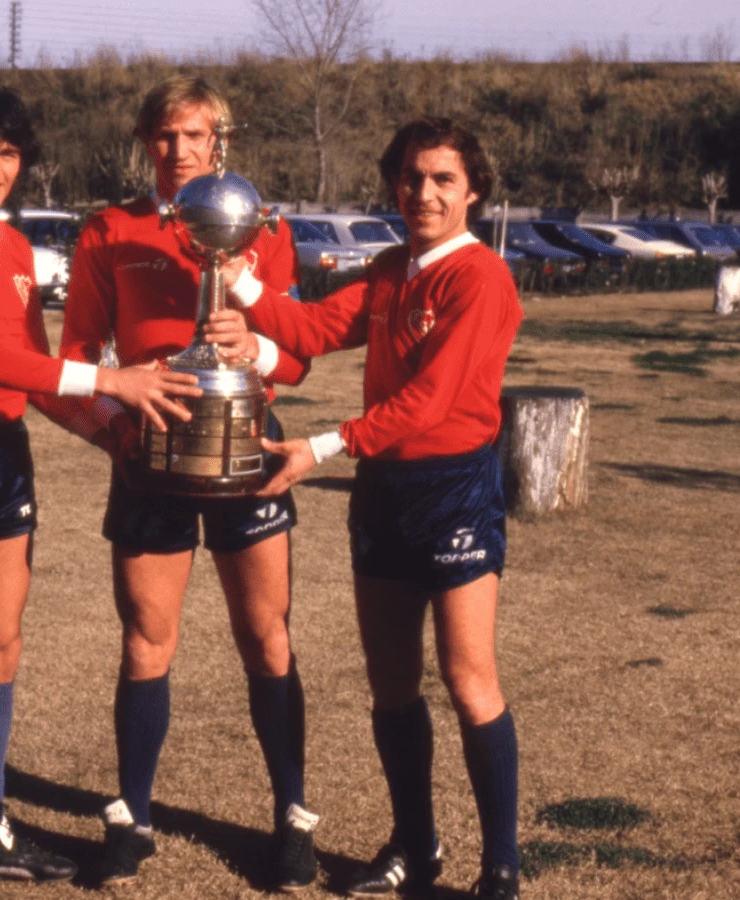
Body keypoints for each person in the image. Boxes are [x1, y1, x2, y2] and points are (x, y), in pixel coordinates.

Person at [0, 81, 202, 900]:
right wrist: (116, 379)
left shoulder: (17, 251)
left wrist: (110, 432)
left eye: (9, 153)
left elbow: (33, 377)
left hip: (1, 458)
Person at [207, 116, 524, 900]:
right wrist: (242, 281)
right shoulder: (391, 270)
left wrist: (323, 445)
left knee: (467, 676)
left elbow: (431, 399)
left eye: (444, 180)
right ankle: (416, 847)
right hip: (384, 494)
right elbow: (315, 327)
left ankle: (502, 868)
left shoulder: (480, 277)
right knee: (390, 683)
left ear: (473, 192)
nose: (424, 193)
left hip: (452, 487)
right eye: (413, 177)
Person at [59, 75, 321, 891]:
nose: (178, 152)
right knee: (146, 638)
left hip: (247, 447)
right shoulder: (109, 230)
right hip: (151, 454)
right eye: (163, 137)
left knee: (265, 636)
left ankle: (292, 820)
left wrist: (256, 350)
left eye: (194, 136)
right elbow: (70, 360)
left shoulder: (260, 227)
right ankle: (133, 818)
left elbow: (300, 359)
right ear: (146, 143)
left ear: (221, 143)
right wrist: (109, 431)